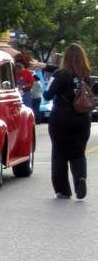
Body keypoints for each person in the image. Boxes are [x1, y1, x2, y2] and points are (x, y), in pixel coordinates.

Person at [43, 42, 93, 199]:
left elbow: (47, 95)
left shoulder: (60, 74)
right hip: (82, 120)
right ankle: (80, 179)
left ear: (66, 57)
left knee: (59, 154)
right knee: (78, 154)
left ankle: (63, 190)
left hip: (61, 119)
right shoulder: (86, 75)